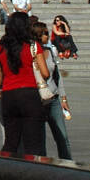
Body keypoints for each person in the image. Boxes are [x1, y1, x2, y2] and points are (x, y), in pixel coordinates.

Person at [0, 11, 49, 157]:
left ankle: (7, 174)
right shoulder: (33, 46)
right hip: (30, 95)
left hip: (9, 95)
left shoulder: (0, 46)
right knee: (33, 144)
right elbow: (45, 73)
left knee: (11, 142)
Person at [31, 19, 72, 161]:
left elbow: (58, 76)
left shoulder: (50, 51)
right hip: (38, 100)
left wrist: (63, 98)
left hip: (53, 98)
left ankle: (67, 163)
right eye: (45, 34)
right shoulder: (31, 53)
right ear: (37, 36)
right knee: (39, 138)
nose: (48, 36)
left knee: (62, 136)